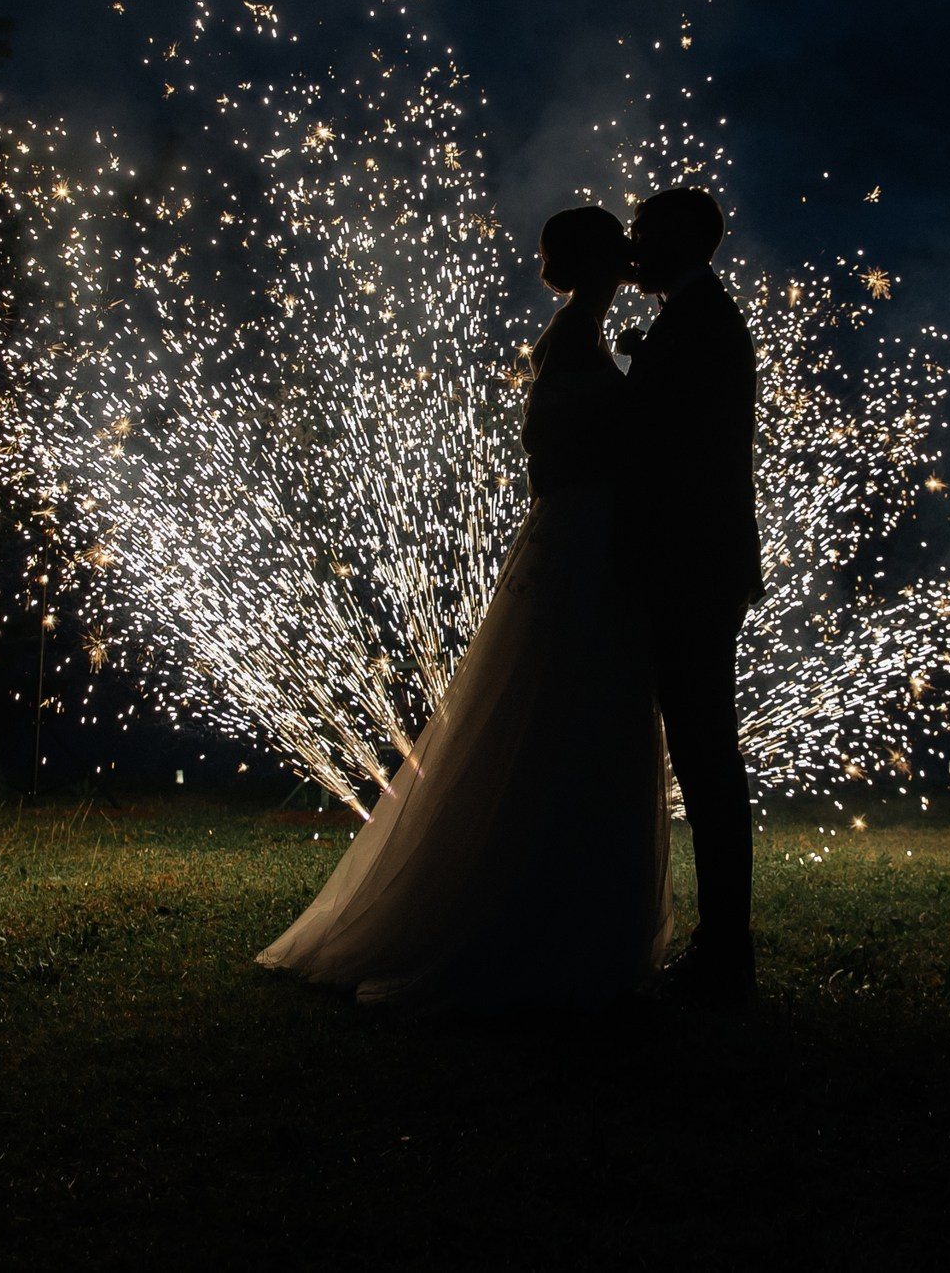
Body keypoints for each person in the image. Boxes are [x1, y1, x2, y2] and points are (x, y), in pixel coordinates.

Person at [257, 206, 671, 1009]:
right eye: (620, 244)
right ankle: (545, 919)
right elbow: (560, 454)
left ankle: (553, 905)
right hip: (584, 541)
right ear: (602, 262)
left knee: (562, 714)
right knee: (571, 714)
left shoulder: (574, 333)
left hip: (579, 538)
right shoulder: (578, 339)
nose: (632, 252)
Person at [618, 185, 763, 1006]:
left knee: (706, 752)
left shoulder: (704, 322)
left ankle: (725, 950)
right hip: (696, 561)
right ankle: (722, 945)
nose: (633, 244)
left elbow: (671, 445)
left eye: (644, 231)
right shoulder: (695, 315)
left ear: (682, 240)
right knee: (703, 750)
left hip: (693, 565)